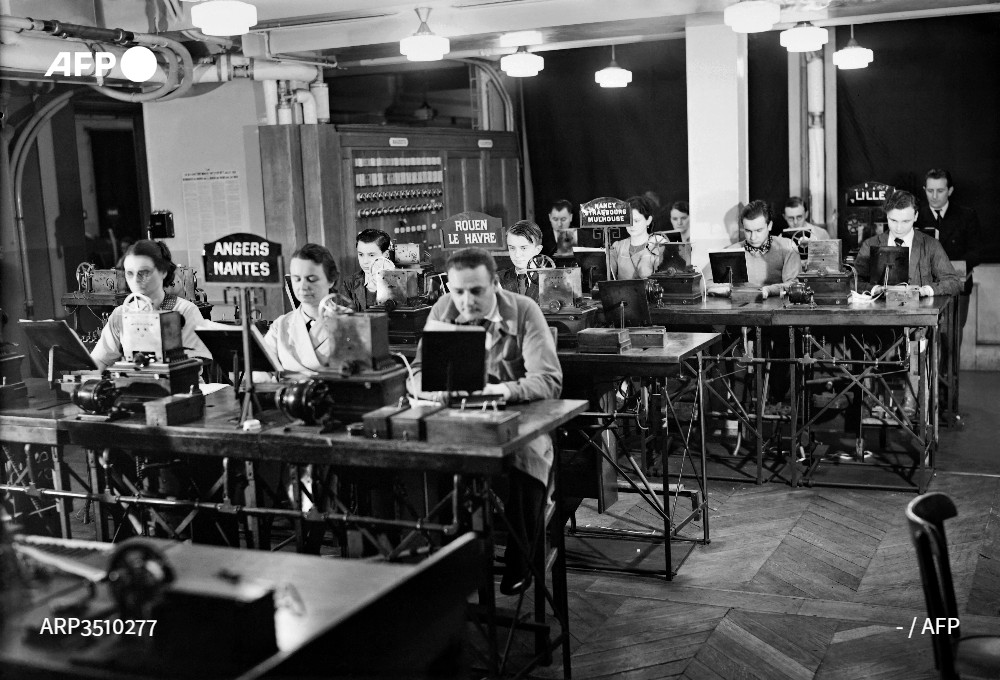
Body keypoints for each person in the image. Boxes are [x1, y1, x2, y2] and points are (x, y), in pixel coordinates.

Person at [410, 248, 562, 595]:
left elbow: (548, 380)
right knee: (424, 467)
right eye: (458, 291)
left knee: (527, 464)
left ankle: (521, 559)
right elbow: (417, 371)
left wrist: (502, 390)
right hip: (457, 421)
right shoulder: (444, 308)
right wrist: (432, 389)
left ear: (494, 283)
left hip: (519, 420)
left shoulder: (524, 310)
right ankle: (451, 561)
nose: (466, 301)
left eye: (476, 291)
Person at [91, 239, 211, 370]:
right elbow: (99, 360)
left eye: (144, 273)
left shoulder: (185, 311)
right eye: (130, 273)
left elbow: (196, 362)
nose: (135, 280)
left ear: (163, 272)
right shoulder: (120, 314)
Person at [854, 190, 962, 297]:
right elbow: (853, 281)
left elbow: (954, 282)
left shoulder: (931, 245)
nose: (899, 228)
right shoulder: (869, 245)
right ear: (887, 216)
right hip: (880, 307)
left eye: (905, 221)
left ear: (915, 216)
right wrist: (875, 289)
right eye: (893, 220)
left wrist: (925, 291)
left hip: (920, 308)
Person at [263, 243, 344, 378]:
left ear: (331, 280)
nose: (302, 286)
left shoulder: (352, 321)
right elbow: (261, 368)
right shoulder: (281, 325)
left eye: (311, 279)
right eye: (297, 279)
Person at [705, 200, 801, 299]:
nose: (753, 237)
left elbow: (793, 284)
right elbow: (705, 282)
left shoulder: (787, 247)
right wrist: (724, 289)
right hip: (740, 305)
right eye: (748, 231)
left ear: (769, 226)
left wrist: (768, 290)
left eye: (758, 230)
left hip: (777, 306)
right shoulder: (732, 251)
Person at [609, 195, 663, 280]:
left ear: (648, 220)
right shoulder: (617, 247)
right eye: (628, 220)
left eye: (636, 221)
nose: (632, 225)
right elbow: (609, 280)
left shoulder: (659, 247)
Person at [343, 229, 392, 312]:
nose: (365, 261)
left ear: (386, 255)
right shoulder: (349, 283)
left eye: (371, 255)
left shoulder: (400, 281)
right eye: (361, 254)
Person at [498, 220, 544, 301]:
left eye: (524, 248)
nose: (517, 254)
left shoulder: (551, 280)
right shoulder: (497, 280)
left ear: (537, 250)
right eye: (512, 248)